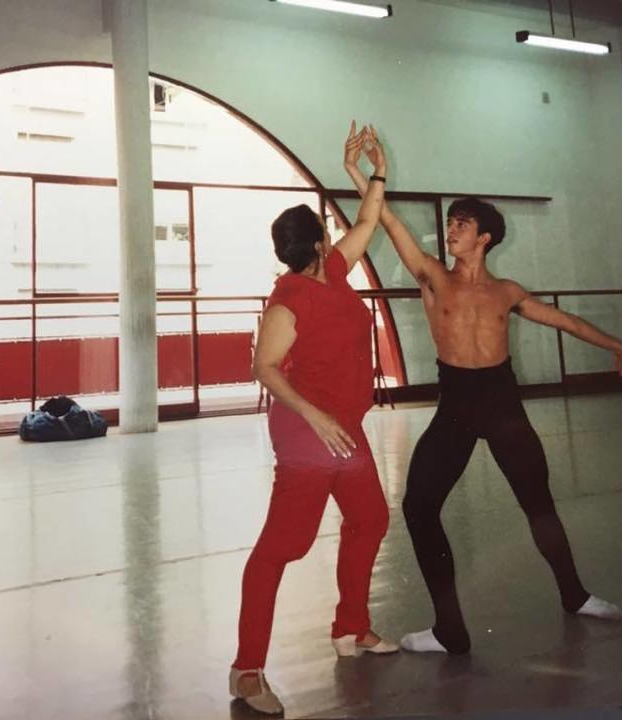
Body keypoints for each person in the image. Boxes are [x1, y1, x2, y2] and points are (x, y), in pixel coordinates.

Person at [344, 133, 622, 655]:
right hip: (456, 405)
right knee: (418, 506)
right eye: (450, 222)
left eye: (462, 224)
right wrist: (367, 171)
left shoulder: (508, 292)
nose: (451, 230)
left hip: (502, 403)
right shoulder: (433, 276)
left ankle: (575, 595)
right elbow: (385, 220)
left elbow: (564, 319)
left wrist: (616, 343)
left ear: (485, 238)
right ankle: (449, 628)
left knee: (538, 503)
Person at [230, 123, 396, 716]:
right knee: (285, 545)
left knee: (370, 518)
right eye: (328, 231)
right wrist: (316, 415)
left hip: (344, 429)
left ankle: (351, 628)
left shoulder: (335, 274)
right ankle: (247, 670)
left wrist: (374, 170)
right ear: (319, 241)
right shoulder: (289, 298)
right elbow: (265, 367)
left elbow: (370, 223)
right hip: (308, 434)